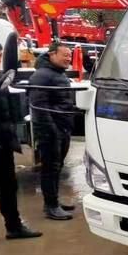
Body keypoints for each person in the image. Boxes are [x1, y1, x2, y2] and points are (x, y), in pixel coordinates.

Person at [0, 30, 42, 251]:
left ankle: (14, 226)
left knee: (9, 187)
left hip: (3, 145)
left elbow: (8, 111)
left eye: (0, 56)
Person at [29, 42, 76, 220]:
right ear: (51, 55)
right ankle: (51, 206)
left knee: (57, 167)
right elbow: (39, 107)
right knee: (50, 168)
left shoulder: (57, 74)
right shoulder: (42, 76)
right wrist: (52, 132)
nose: (68, 58)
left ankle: (54, 201)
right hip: (51, 131)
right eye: (64, 55)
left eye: (69, 55)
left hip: (62, 128)